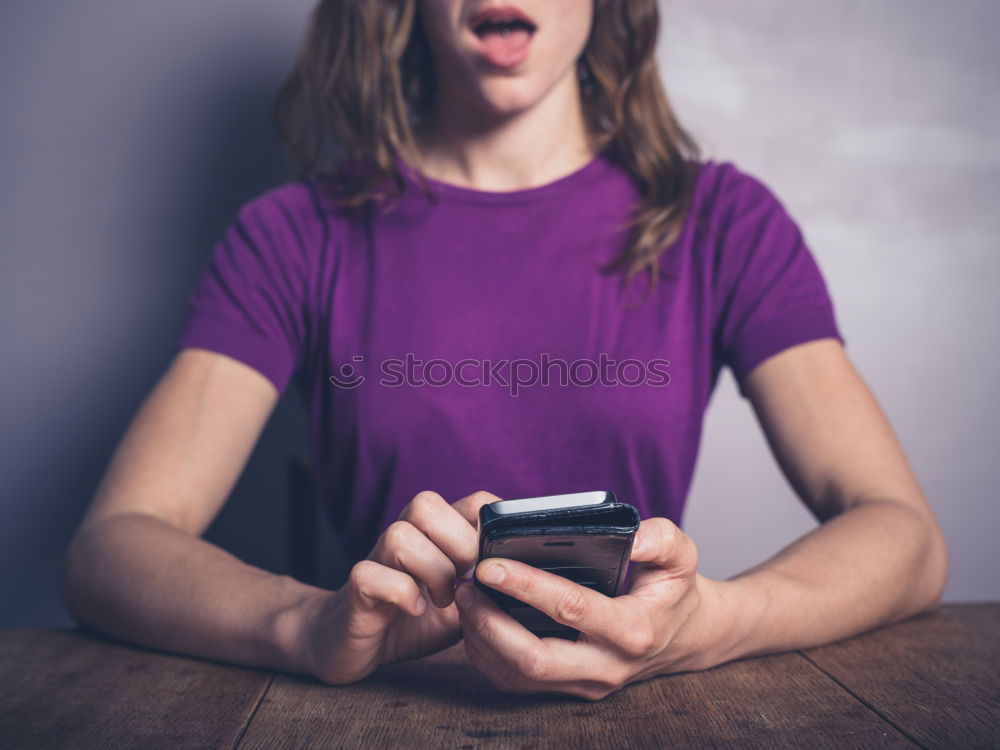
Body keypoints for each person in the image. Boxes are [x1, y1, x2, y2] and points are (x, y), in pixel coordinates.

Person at [61, 0, 947, 700]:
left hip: (645, 713)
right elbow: (114, 547)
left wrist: (713, 621)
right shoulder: (296, 234)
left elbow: (903, 535)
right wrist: (309, 626)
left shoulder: (724, 222)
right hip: (376, 714)